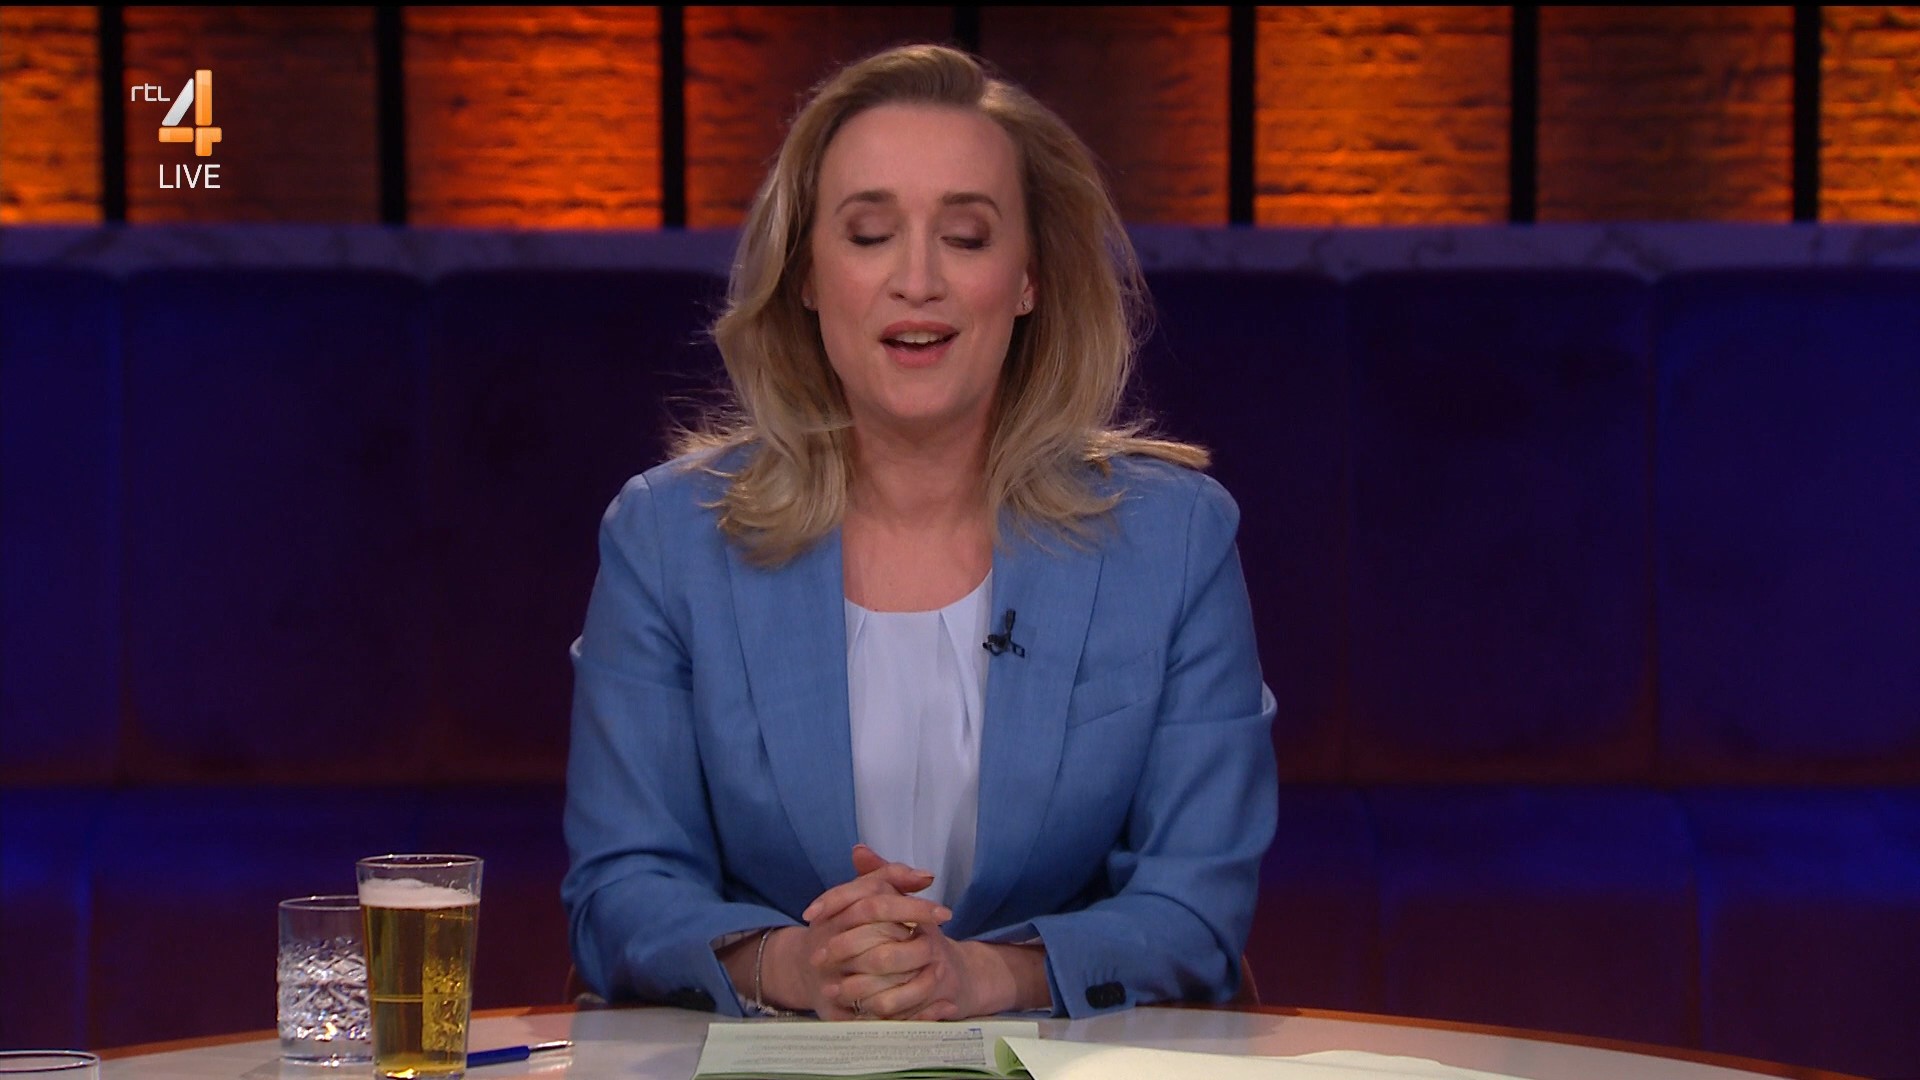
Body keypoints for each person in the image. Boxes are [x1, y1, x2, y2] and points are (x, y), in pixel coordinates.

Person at [561, 42, 1277, 1022]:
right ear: (807, 275)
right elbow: (620, 890)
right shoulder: (666, 539)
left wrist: (987, 975)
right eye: (869, 234)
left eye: (967, 237)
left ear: (1028, 278)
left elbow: (1196, 911)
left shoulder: (1174, 540)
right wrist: (796, 964)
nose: (917, 279)